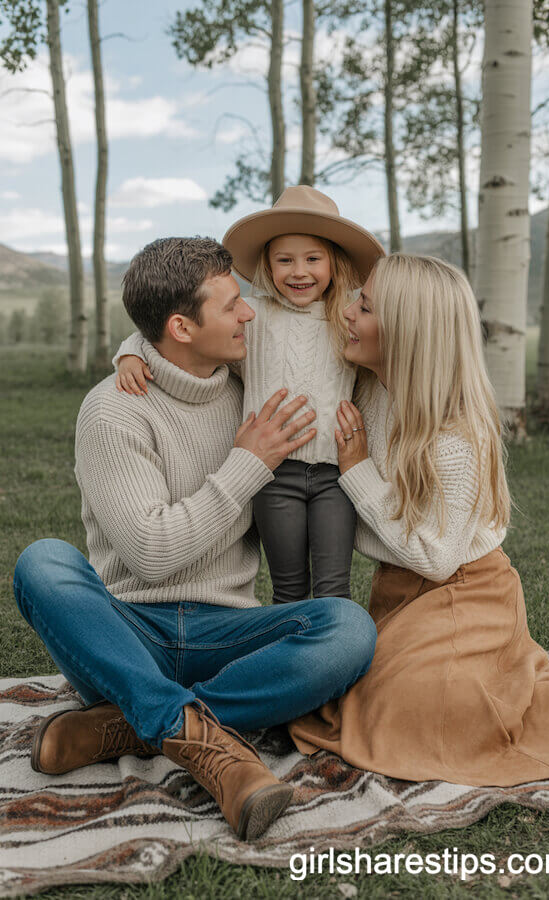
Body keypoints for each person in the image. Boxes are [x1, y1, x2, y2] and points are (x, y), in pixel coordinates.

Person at [12, 236, 377, 840]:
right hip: (128, 632)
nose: (249, 314)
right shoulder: (113, 412)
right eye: (232, 305)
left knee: (348, 628)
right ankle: (208, 743)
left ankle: (133, 723)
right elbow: (153, 556)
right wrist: (247, 464)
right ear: (181, 327)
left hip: (227, 632)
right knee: (42, 563)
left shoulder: (246, 389)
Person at [289, 252, 549, 787]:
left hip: (465, 592)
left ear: (406, 333)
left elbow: (436, 556)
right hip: (399, 592)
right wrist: (133, 351)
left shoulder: (455, 435)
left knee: (404, 712)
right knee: (347, 696)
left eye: (365, 306)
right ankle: (530, 683)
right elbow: (267, 335)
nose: (348, 315)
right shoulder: (367, 384)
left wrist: (356, 472)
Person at [115, 185, 385, 604]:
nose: (299, 272)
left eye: (313, 259)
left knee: (335, 588)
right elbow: (172, 328)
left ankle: (339, 661)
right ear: (267, 265)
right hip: (274, 477)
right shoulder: (253, 317)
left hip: (336, 476)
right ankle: (289, 661)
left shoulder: (346, 317)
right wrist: (130, 353)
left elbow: (396, 333)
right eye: (285, 260)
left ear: (334, 263)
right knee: (289, 587)